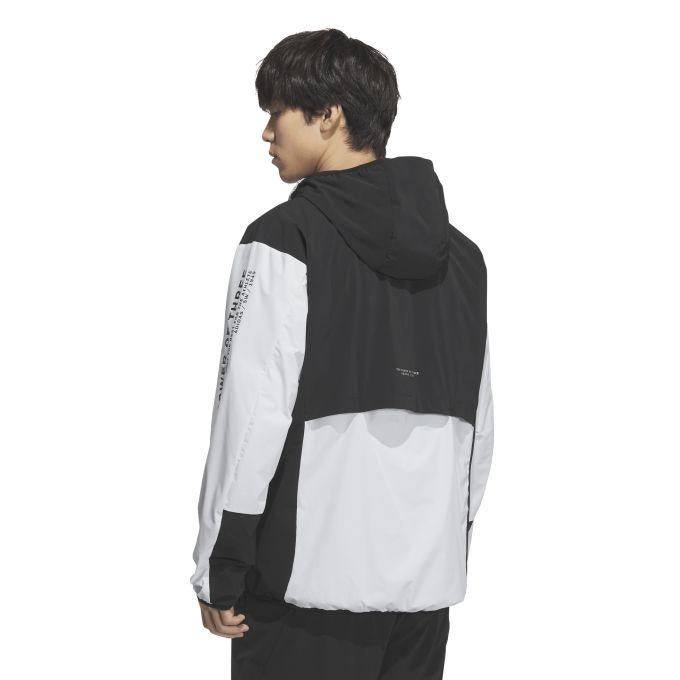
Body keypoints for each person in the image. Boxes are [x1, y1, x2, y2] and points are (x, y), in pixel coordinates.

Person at [189, 28, 494, 680]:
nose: (266, 132)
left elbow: (251, 415)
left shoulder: (284, 238)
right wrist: (449, 547)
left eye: (277, 111)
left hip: (304, 595)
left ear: (328, 116)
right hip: (424, 596)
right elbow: (478, 430)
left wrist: (221, 564)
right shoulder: (464, 261)